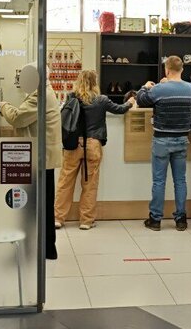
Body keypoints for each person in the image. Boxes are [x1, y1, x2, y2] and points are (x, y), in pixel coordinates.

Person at [0, 64, 63, 259]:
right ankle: (44, 248)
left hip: (40, 158)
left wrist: (2, 105)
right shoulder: (45, 92)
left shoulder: (40, 95)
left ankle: (38, 248)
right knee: (41, 204)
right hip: (43, 157)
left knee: (33, 206)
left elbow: (18, 118)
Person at [55, 69, 135, 230]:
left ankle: (58, 218)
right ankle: (86, 221)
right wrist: (130, 102)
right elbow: (120, 109)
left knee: (65, 183)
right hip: (93, 144)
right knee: (90, 184)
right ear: (95, 82)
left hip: (72, 144)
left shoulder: (71, 97)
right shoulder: (101, 100)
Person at [136, 56, 191, 232]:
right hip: (182, 139)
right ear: (182, 69)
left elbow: (141, 99)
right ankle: (181, 219)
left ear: (166, 70)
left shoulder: (159, 89)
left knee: (159, 181)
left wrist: (145, 86)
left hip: (162, 139)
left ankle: (155, 220)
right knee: (180, 180)